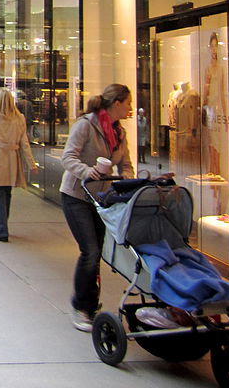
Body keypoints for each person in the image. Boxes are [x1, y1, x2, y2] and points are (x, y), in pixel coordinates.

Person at [59, 83, 135, 331]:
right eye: (128, 103)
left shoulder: (119, 132)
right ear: (117, 103)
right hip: (76, 196)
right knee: (89, 251)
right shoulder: (86, 125)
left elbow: (125, 163)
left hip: (101, 199)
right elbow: (68, 157)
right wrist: (87, 171)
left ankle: (91, 304)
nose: (131, 107)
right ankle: (81, 307)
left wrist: (127, 179)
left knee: (96, 253)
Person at [0, 88, 37, 242]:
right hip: (12, 159)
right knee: (7, 193)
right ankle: (4, 224)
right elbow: (24, 143)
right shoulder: (19, 118)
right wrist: (31, 163)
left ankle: (2, 229)